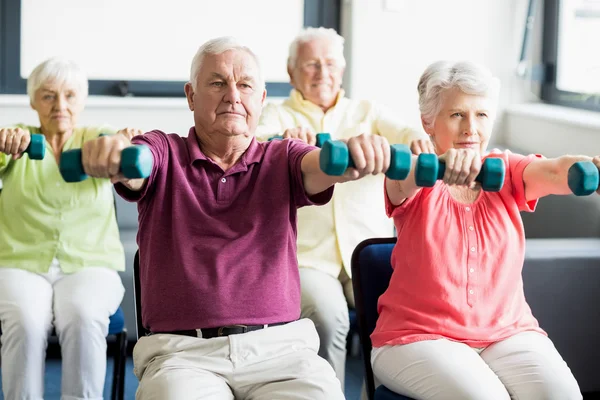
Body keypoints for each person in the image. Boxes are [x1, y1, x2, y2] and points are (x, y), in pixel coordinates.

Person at [81, 36, 395, 400]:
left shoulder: (283, 157)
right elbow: (136, 165)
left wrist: (348, 158)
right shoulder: (164, 150)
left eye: (245, 85)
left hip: (282, 352)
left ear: (260, 100)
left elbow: (320, 166)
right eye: (217, 83)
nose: (233, 95)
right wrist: (115, 153)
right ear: (191, 96)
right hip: (183, 356)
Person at [371, 60, 592, 399]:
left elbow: (551, 172)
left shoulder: (503, 169)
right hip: (417, 336)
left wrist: (584, 167)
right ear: (428, 122)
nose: (470, 129)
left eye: (482, 115)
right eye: (457, 115)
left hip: (507, 332)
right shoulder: (413, 171)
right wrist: (439, 165)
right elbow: (402, 181)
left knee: (563, 394)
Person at [256, 27, 425, 386]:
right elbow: (254, 147)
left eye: (330, 64)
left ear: (342, 70)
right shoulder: (277, 114)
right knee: (330, 318)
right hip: (306, 256)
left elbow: (410, 136)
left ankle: (374, 394)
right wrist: (280, 143)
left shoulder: (368, 112)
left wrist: (417, 141)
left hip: (369, 248)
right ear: (291, 73)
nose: (322, 73)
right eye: (311, 64)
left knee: (396, 318)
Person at [0, 57, 142, 400]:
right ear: (33, 101)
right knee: (26, 323)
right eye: (48, 96)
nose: (60, 106)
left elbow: (134, 181)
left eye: (69, 95)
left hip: (90, 263)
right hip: (21, 261)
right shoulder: (15, 140)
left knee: (82, 315)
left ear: (82, 99)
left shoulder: (97, 138)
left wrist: (124, 145)